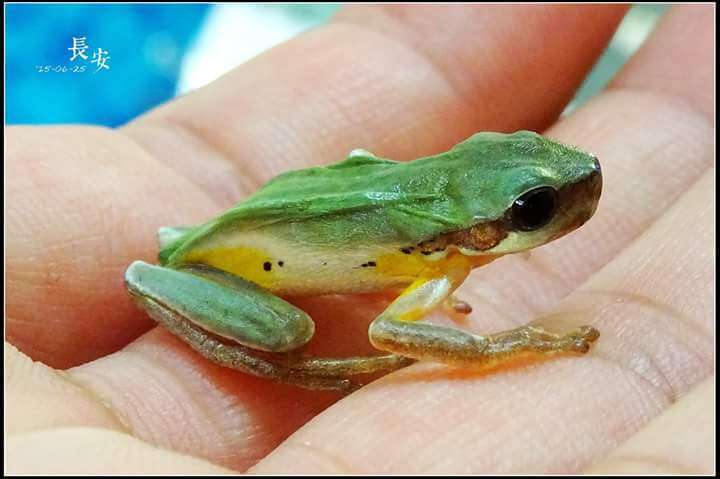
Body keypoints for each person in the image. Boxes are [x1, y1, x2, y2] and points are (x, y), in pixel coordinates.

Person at [5, 4, 714, 474]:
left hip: (290, 214)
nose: (571, 197)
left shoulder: (446, 249)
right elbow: (385, 330)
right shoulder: (442, 256)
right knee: (289, 330)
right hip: (232, 260)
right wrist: (502, 347)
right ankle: (277, 357)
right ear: (478, 229)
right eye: (533, 208)